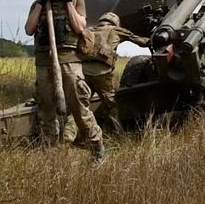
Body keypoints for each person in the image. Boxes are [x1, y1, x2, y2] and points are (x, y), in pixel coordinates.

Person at [24, 0, 104, 163]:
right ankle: (51, 154)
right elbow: (29, 29)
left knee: (79, 108)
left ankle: (97, 148)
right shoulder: (38, 4)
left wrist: (68, 3)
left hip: (69, 62)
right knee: (46, 110)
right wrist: (41, 5)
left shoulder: (76, 1)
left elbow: (79, 27)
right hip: (44, 63)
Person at [63, 12, 150, 142]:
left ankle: (67, 137)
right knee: (111, 106)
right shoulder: (116, 30)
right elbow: (139, 41)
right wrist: (153, 40)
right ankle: (119, 136)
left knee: (79, 107)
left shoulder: (89, 30)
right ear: (115, 22)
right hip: (102, 73)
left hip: (83, 72)